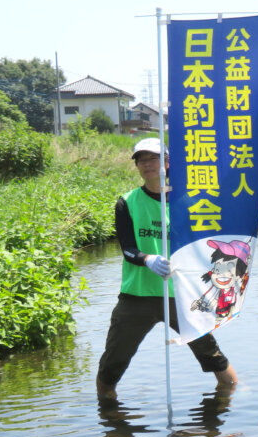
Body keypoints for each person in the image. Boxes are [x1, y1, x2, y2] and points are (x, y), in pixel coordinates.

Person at [96, 138, 238, 403]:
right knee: (113, 362)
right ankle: (107, 409)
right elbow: (127, 248)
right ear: (137, 166)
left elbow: (214, 242)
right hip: (137, 295)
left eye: (154, 159)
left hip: (182, 296)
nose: (148, 165)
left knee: (211, 354)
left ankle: (232, 396)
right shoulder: (127, 202)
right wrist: (147, 259)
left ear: (168, 163)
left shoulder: (191, 201)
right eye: (142, 160)